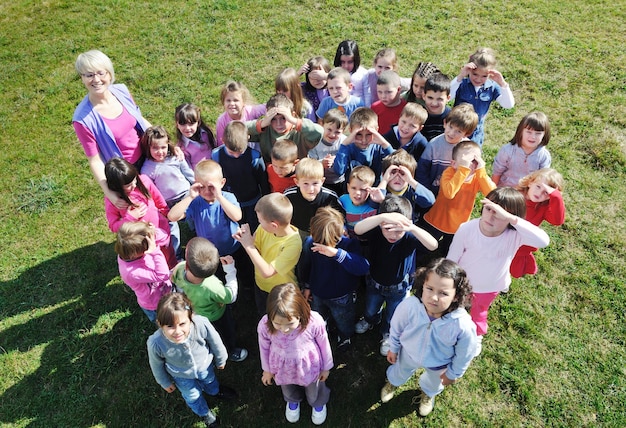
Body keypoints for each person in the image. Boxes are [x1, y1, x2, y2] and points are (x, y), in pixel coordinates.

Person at [447, 187, 550, 355]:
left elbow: (543, 241)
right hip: (462, 284)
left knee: (478, 314)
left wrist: (511, 219)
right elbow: (452, 259)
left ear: (511, 218)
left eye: (500, 214)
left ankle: (476, 337)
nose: (492, 216)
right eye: (489, 209)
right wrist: (449, 282)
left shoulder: (515, 235)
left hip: (489, 287)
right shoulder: (467, 229)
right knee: (454, 308)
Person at [380, 258, 478, 417]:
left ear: (456, 296)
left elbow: (465, 354)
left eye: (443, 293)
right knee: (399, 370)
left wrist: (453, 374)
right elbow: (396, 327)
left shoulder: (463, 325)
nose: (434, 297)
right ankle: (393, 383)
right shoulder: (410, 305)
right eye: (430, 288)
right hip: (408, 352)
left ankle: (428, 394)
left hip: (439, 363)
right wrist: (394, 347)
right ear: (422, 285)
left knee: (433, 382)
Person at [354, 195, 438, 356]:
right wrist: (382, 217)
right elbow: (358, 229)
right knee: (371, 309)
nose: (393, 234)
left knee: (393, 315)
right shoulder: (377, 231)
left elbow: (433, 245)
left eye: (398, 230)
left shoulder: (409, 236)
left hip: (398, 287)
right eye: (388, 228)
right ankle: (370, 321)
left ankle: (387, 334)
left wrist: (412, 228)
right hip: (374, 282)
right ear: (381, 223)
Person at [72, 50, 152, 208]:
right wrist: (110, 194)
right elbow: (94, 160)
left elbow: (139, 118)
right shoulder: (83, 119)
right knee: (144, 210)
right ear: (82, 78)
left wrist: (167, 144)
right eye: (89, 75)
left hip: (149, 155)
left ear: (109, 74)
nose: (96, 80)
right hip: (127, 172)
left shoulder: (121, 91)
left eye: (100, 73)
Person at [147, 293, 237, 428]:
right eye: (170, 326)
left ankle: (215, 391)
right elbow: (156, 365)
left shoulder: (201, 323)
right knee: (192, 396)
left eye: (182, 324)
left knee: (210, 381)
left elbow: (215, 341)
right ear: (160, 324)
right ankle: (204, 413)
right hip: (181, 375)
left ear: (191, 317)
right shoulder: (156, 343)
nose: (177, 331)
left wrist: (221, 358)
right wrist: (164, 382)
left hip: (205, 366)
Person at [258, 283, 334, 425]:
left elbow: (324, 343)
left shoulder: (313, 321)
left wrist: (326, 367)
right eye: (278, 324)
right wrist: (267, 370)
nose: (284, 329)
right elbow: (263, 347)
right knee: (287, 387)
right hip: (281, 367)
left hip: (310, 366)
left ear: (300, 314)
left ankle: (317, 402)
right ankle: (292, 401)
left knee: (314, 388)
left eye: (289, 324)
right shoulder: (264, 325)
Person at [299, 207, 370, 352]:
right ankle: (322, 330)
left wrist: (337, 254)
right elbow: (305, 266)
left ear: (340, 232)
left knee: (344, 319)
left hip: (342, 295)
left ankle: (345, 336)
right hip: (318, 292)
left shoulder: (349, 244)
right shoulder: (310, 243)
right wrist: (307, 286)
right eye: (320, 242)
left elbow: (363, 267)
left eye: (331, 242)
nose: (324, 246)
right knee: (319, 315)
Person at [171, 237, 248, 362]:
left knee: (210, 334)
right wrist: (230, 270)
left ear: (187, 264)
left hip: (195, 312)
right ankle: (230, 350)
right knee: (224, 334)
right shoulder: (212, 286)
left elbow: (174, 280)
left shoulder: (179, 269)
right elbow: (230, 296)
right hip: (217, 315)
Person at [420, 141, 496, 257]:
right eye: (466, 161)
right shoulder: (448, 173)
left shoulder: (478, 177)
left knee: (450, 253)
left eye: (475, 161)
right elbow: (449, 193)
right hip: (436, 220)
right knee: (423, 247)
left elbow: (492, 195)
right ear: (453, 164)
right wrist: (463, 170)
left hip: (458, 225)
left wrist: (481, 171)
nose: (471, 164)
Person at [233, 194, 302, 314]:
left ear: (274, 225)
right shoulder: (263, 228)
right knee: (264, 313)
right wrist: (246, 238)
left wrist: (248, 245)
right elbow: (256, 252)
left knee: (279, 319)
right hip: (260, 285)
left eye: (260, 220)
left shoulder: (293, 244)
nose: (258, 222)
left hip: (281, 293)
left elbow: (267, 272)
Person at [104, 157, 176, 268]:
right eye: (128, 185)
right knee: (152, 263)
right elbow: (113, 226)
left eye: (134, 179)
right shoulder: (113, 200)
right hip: (141, 242)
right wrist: (130, 218)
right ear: (116, 186)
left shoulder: (144, 181)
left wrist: (166, 214)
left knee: (168, 253)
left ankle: (172, 268)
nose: (134, 184)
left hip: (161, 230)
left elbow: (158, 199)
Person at [140, 125, 194, 259]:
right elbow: (151, 192)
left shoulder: (175, 157)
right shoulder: (147, 169)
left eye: (163, 147)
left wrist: (197, 184)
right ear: (148, 148)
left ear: (168, 145)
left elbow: (188, 172)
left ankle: (197, 234)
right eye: (155, 148)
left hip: (186, 195)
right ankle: (177, 256)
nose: (160, 152)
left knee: (194, 218)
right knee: (172, 230)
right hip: (167, 204)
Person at [450, 47, 515, 146]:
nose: (478, 79)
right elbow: (448, 96)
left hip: (476, 134)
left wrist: (502, 84)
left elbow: (508, 105)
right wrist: (460, 76)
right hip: (456, 130)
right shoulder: (462, 84)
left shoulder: (492, 87)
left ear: (490, 74)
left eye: (484, 76)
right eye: (475, 74)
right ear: (469, 70)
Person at [212, 120, 269, 232]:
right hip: (229, 201)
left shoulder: (254, 157)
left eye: (240, 152)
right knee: (234, 227)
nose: (237, 156)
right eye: (232, 152)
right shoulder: (216, 156)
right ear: (222, 140)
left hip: (252, 200)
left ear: (248, 138)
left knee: (254, 227)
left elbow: (263, 180)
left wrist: (265, 199)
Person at [511, 168, 565, 278]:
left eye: (546, 192)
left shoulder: (543, 207)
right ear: (530, 182)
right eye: (538, 186)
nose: (539, 193)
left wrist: (556, 196)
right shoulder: (514, 196)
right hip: (503, 240)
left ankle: (503, 283)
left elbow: (557, 221)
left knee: (511, 270)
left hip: (521, 248)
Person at [115, 221, 173, 323]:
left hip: (163, 290)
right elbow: (163, 275)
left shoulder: (128, 251)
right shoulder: (131, 272)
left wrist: (153, 232)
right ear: (136, 253)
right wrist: (155, 251)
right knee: (165, 321)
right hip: (154, 304)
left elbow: (164, 237)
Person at [416, 103, 479, 196]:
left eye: (459, 131)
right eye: (451, 127)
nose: (452, 133)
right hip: (434, 191)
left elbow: (472, 174)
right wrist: (426, 191)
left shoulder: (468, 149)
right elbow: (422, 169)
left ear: (467, 134)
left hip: (456, 193)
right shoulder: (434, 144)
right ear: (445, 123)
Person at [247, 93, 323, 162]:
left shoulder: (300, 132)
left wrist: (294, 121)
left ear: (292, 115)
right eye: (273, 119)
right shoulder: (266, 129)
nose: (278, 123)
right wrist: (262, 124)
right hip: (270, 171)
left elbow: (319, 132)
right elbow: (237, 131)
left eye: (284, 118)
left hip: (297, 172)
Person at [284, 158, 345, 241]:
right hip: (297, 230)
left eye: (315, 183)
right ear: (297, 182)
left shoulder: (330, 197)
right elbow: (281, 213)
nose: (311, 189)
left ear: (322, 181)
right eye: (306, 183)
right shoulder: (289, 195)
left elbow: (339, 216)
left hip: (322, 231)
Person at [333, 107, 394, 185]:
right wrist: (344, 145)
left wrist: (385, 144)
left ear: (376, 130)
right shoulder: (348, 147)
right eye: (359, 134)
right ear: (351, 130)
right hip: (352, 193)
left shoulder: (379, 147)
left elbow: (395, 165)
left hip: (374, 191)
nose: (364, 140)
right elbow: (339, 171)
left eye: (369, 134)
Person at [492, 111, 552, 187]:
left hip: (528, 193)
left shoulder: (544, 156)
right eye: (529, 132)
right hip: (505, 190)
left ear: (544, 134)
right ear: (521, 132)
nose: (533, 137)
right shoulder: (507, 151)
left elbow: (543, 180)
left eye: (538, 133)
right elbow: (497, 173)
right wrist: (492, 192)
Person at [377, 150, 435, 223]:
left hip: (405, 227)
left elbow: (430, 201)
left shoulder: (411, 190)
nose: (397, 178)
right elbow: (373, 202)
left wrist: (411, 181)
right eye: (393, 172)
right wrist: (384, 180)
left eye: (402, 174)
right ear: (383, 174)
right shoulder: (381, 188)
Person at [307, 109, 348, 195]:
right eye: (329, 129)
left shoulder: (344, 141)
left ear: (343, 131)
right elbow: (309, 163)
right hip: (320, 182)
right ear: (322, 125)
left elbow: (348, 160)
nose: (332, 135)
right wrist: (321, 163)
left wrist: (337, 160)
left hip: (340, 181)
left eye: (337, 132)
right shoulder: (315, 141)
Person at [215, 81, 266, 146]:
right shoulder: (222, 121)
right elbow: (221, 143)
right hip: (233, 152)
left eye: (236, 100)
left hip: (254, 151)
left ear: (243, 102)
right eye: (228, 100)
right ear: (223, 102)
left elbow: (266, 107)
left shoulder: (251, 111)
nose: (232, 103)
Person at [338, 166, 382, 239]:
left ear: (370, 190)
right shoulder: (342, 201)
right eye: (353, 188)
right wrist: (342, 228)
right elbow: (338, 219)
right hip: (349, 240)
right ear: (348, 187)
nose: (358, 193)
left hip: (370, 241)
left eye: (363, 189)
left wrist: (381, 201)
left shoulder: (375, 203)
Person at [174, 103, 218, 170]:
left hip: (215, 169)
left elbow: (214, 148)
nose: (187, 128)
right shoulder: (181, 147)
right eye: (183, 124)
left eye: (191, 124)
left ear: (198, 122)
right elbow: (187, 169)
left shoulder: (206, 133)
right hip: (199, 176)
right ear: (177, 124)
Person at [371, 70, 407, 135]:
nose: (383, 96)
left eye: (388, 92)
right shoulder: (375, 107)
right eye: (379, 92)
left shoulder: (406, 108)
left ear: (398, 90)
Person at [420, 73, 452, 142]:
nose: (434, 103)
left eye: (439, 99)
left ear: (448, 98)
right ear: (424, 96)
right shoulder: (418, 114)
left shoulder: (452, 116)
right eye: (430, 98)